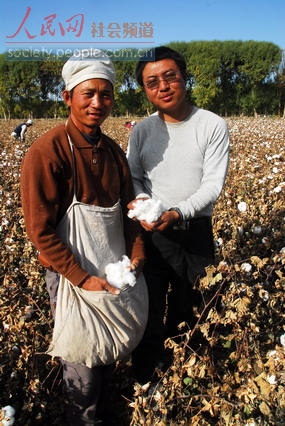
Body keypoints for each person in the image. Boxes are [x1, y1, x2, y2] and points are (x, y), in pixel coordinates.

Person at [20, 49, 145, 425]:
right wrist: (81, 278)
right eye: (87, 93)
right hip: (70, 277)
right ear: (67, 97)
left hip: (108, 271)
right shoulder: (47, 151)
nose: (97, 103)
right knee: (82, 366)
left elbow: (130, 215)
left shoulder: (112, 153)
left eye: (105, 95)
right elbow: (40, 231)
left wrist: (136, 257)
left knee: (107, 354)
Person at [127, 46, 230, 382]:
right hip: (153, 232)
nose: (163, 87)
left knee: (196, 305)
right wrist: (144, 203)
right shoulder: (142, 131)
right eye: (152, 82)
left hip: (194, 230)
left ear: (185, 78)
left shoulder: (211, 125)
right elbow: (135, 176)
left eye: (170, 77)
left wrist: (175, 212)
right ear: (145, 90)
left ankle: (190, 378)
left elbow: (212, 185)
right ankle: (145, 381)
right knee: (150, 308)